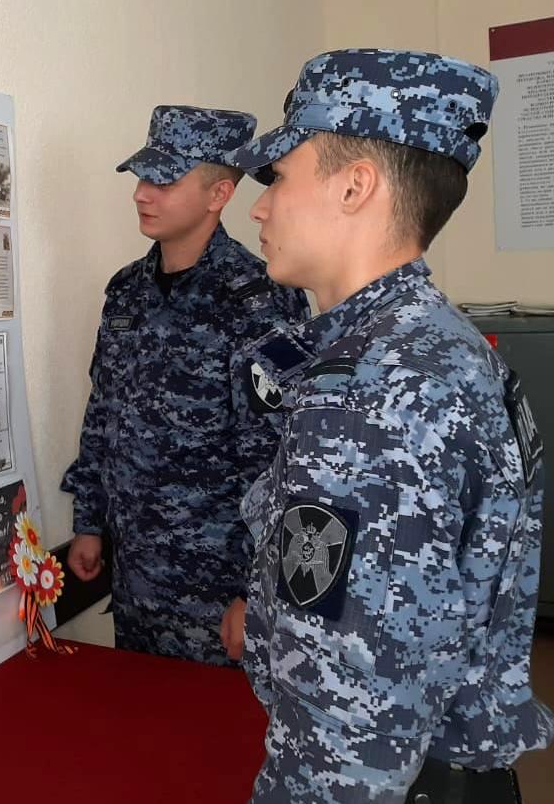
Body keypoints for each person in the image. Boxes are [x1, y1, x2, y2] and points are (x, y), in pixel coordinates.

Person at [226, 48, 552, 802]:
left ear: (355, 185)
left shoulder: (369, 392)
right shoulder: (441, 345)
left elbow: (350, 727)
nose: (259, 207)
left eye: (279, 176)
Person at [61, 105, 309, 665]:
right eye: (141, 178)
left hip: (217, 587)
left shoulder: (261, 299)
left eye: (164, 181)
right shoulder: (126, 292)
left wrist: (256, 588)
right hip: (136, 575)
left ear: (219, 193)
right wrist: (89, 523)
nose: (141, 194)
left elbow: (280, 454)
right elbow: (103, 412)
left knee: (214, 719)